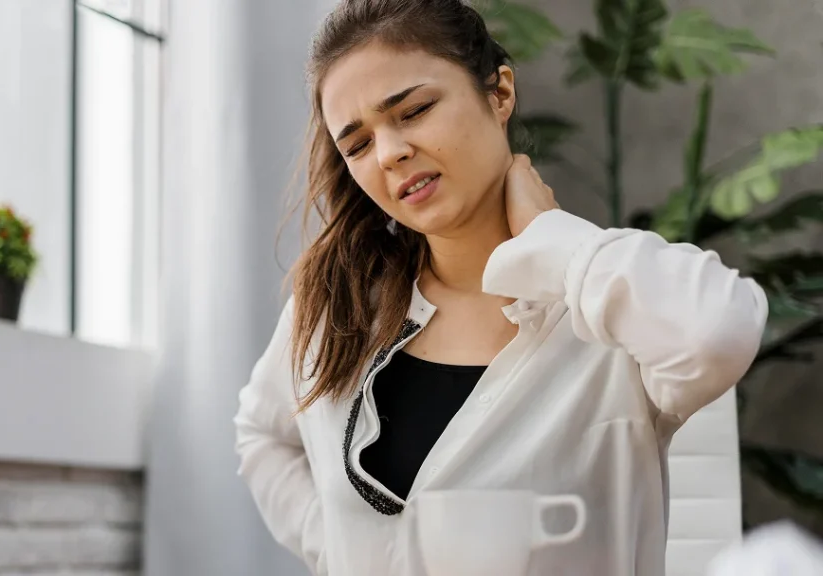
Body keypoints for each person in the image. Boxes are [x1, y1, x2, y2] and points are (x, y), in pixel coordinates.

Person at [233, 0, 768, 574]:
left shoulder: (602, 305)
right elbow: (262, 436)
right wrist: (342, 546)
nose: (389, 153)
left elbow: (718, 333)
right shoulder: (337, 310)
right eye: (358, 145)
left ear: (500, 93)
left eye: (413, 110)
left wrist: (549, 237)